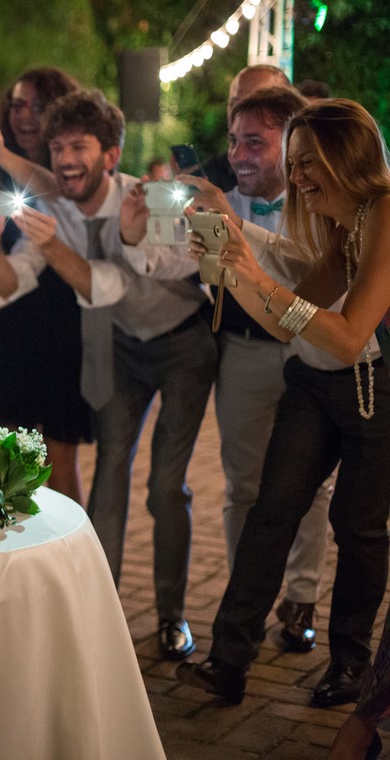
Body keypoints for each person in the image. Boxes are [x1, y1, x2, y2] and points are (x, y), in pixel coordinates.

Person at [0, 90, 215, 660]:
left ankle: (171, 616)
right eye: (57, 147)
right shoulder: (56, 207)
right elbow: (14, 282)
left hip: (184, 344)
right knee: (108, 472)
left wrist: (92, 241)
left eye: (78, 146)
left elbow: (111, 283)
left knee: (164, 486)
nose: (64, 159)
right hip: (120, 346)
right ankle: (99, 611)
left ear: (110, 155)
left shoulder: (146, 199)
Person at [177, 100, 390, 714]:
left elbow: (348, 334)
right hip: (316, 387)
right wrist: (231, 264)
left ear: (345, 157)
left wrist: (251, 271)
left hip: (377, 389)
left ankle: (351, 665)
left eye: (306, 164)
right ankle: (229, 660)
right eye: (292, 165)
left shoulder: (383, 212)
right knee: (271, 510)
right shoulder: (342, 224)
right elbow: (286, 321)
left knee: (359, 526)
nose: (295, 178)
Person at [174, 86, 332, 653]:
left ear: (291, 146)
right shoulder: (220, 196)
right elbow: (208, 278)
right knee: (243, 485)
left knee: (311, 486)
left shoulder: (319, 201)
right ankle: (246, 601)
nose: (240, 154)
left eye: (255, 143)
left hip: (311, 352)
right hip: (243, 350)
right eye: (235, 140)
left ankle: (302, 596)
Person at [0, 67, 90, 503]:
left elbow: (53, 191)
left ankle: (71, 564)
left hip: (59, 321)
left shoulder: (68, 166)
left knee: (59, 460)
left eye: (38, 106)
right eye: (17, 105)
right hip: (6, 319)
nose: (24, 116)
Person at [201, 64, 290, 191]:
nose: (240, 112)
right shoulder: (212, 174)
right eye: (235, 103)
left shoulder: (310, 187)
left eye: (254, 103)